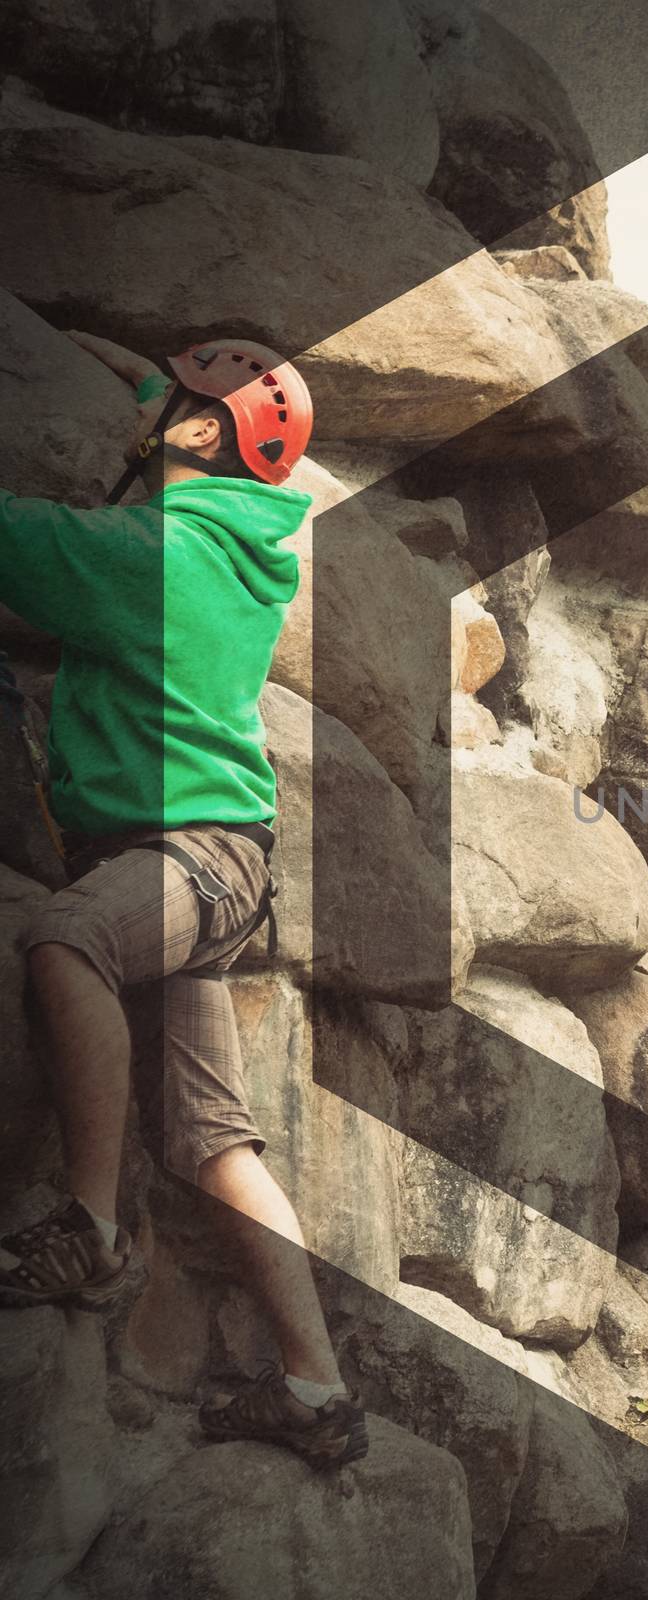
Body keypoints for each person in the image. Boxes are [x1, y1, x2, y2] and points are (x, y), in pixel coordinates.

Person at [0, 332, 367, 1470]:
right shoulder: (234, 544)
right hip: (215, 859)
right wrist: (119, 361)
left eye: (168, 408)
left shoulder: (154, 554)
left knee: (66, 939)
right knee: (214, 1141)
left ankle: (91, 1228)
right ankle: (317, 1388)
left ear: (200, 434)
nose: (145, 418)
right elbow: (168, 404)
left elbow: (23, 541)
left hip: (183, 858)